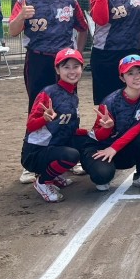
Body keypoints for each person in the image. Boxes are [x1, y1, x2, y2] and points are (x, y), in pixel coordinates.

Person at [8, 0, 89, 184]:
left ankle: (68, 154)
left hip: (65, 62)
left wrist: (77, 55)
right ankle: (31, 161)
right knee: (38, 109)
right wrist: (21, 17)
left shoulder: (69, 1)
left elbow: (83, 28)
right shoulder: (25, 1)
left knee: (69, 107)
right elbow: (13, 31)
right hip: (39, 60)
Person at [80, 55, 140, 191]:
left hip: (119, 148)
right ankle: (93, 165)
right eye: (130, 73)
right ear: (122, 78)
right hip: (101, 146)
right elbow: (98, 136)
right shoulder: (110, 102)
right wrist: (107, 128)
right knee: (102, 176)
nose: (136, 77)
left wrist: (115, 148)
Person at [20, 48, 88, 203]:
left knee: (86, 141)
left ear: (82, 68)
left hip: (53, 146)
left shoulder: (72, 95)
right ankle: (43, 181)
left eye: (76, 66)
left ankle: (54, 176)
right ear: (57, 70)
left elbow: (68, 128)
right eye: (66, 67)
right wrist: (44, 118)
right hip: (35, 153)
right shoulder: (48, 93)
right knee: (72, 155)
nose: (72, 71)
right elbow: (30, 125)